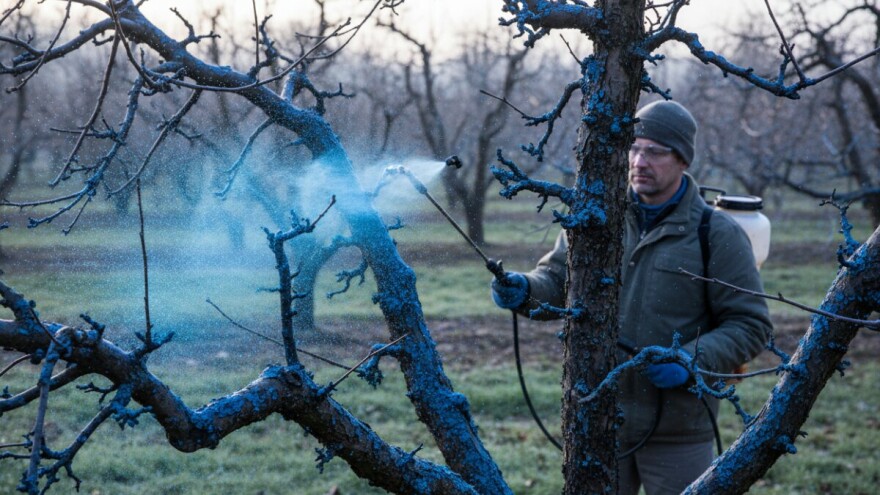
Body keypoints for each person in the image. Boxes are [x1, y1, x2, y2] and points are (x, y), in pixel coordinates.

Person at [490, 100, 772, 494]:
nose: (640, 161)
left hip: (679, 429)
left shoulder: (717, 233)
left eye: (655, 151)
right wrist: (524, 290)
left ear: (683, 160)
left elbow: (751, 325)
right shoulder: (595, 217)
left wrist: (691, 359)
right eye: (634, 148)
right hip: (599, 419)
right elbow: (557, 280)